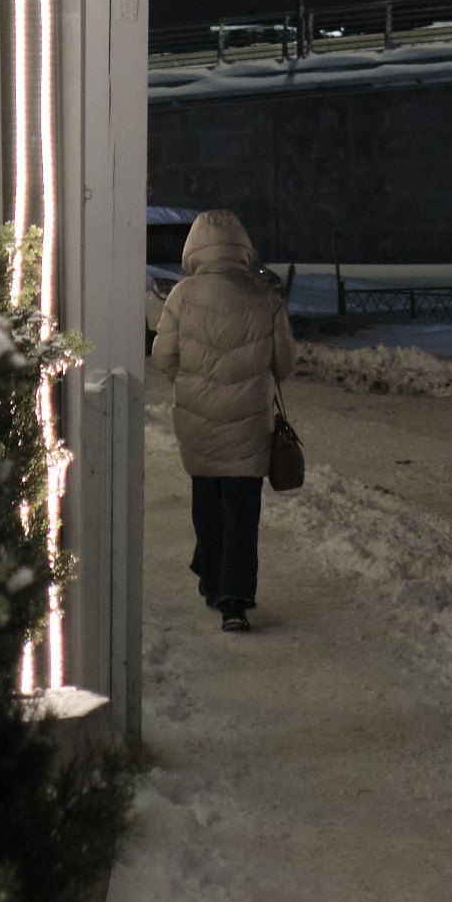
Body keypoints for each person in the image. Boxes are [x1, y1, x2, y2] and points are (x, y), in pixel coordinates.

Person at [150, 208, 297, 634]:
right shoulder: (263, 296)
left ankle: (212, 581)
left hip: (197, 421)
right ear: (242, 247)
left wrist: (195, 381)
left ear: (194, 247)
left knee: (207, 506)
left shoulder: (180, 296)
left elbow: (163, 357)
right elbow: (284, 361)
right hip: (250, 422)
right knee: (242, 511)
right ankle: (235, 598)